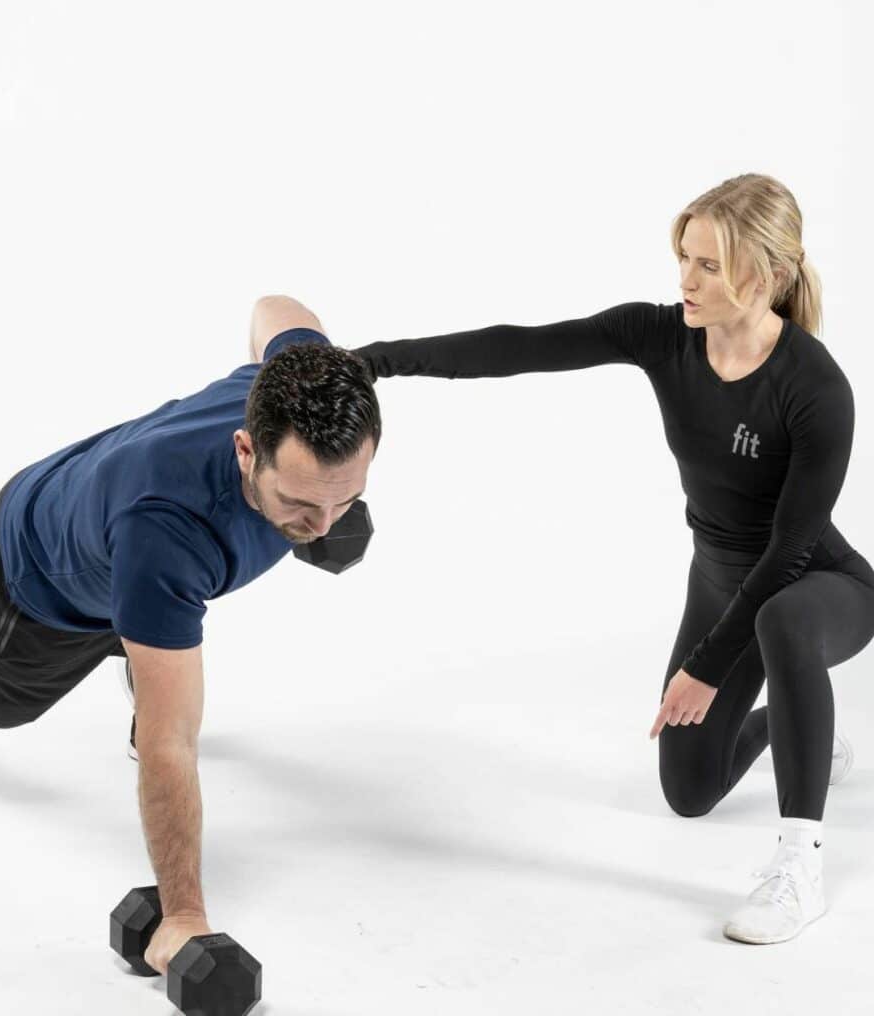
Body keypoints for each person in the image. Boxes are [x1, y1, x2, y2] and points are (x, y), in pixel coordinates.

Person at [351, 173, 874, 945]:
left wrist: (702, 662)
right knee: (690, 791)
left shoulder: (814, 387)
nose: (684, 281)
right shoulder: (663, 335)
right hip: (722, 584)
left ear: (763, 276)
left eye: (707, 265)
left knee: (785, 621)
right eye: (684, 258)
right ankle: (800, 730)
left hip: (819, 587)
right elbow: (519, 347)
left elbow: (792, 548)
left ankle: (800, 868)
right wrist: (372, 361)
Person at [0, 294, 380, 973]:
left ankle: (138, 645)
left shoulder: (297, 391)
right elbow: (170, 746)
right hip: (41, 574)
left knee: (159, 624)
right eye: (297, 501)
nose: (320, 524)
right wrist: (182, 918)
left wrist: (321, 500)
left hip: (116, 537)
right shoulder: (164, 538)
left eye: (341, 498)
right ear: (246, 448)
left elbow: (273, 307)